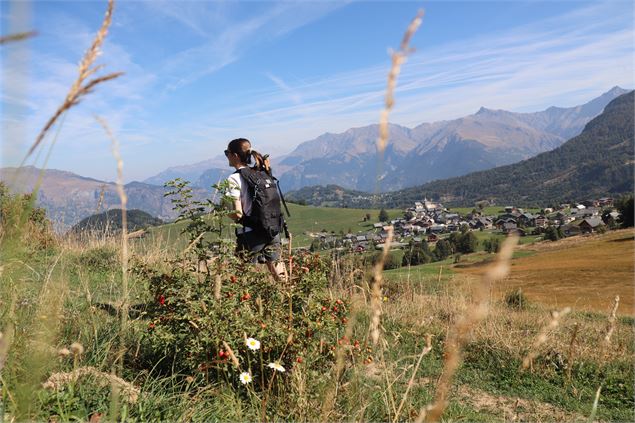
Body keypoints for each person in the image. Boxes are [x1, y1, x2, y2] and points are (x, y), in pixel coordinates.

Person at [224, 138, 288, 281]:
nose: (226, 156)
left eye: (227, 153)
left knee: (242, 280)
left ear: (235, 155)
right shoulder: (260, 173)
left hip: (250, 234)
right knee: (281, 276)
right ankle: (290, 300)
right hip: (271, 229)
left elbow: (237, 214)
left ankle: (250, 302)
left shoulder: (234, 178)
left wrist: (224, 211)